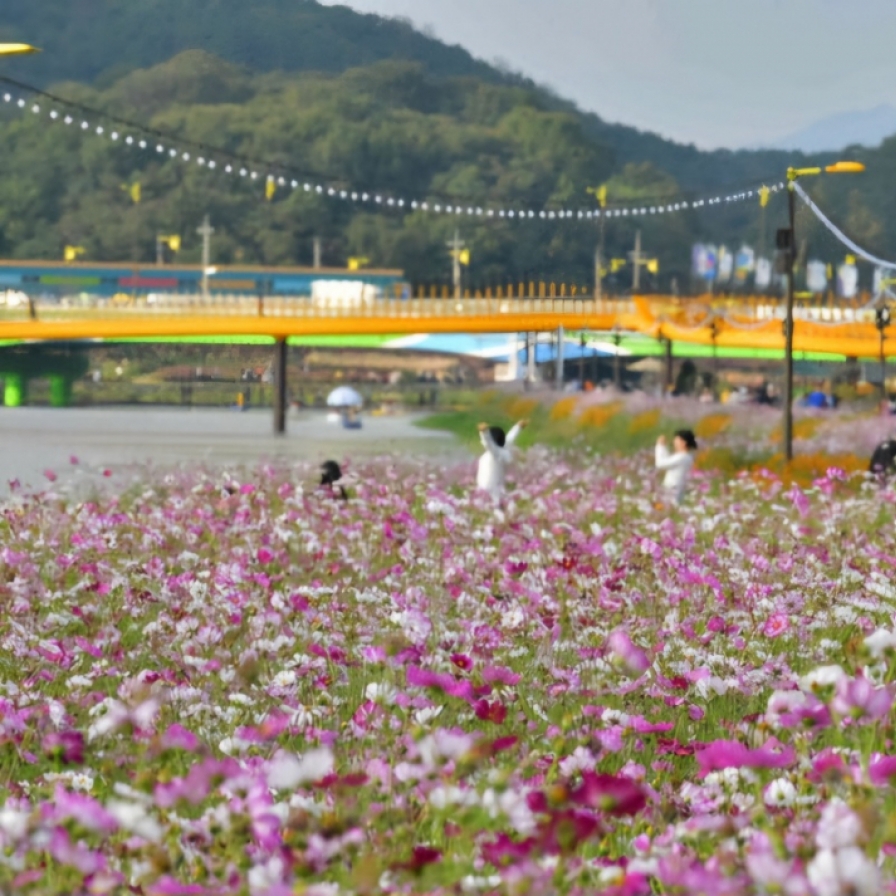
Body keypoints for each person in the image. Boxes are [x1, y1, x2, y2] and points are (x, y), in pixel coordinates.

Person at [476, 420, 528, 500]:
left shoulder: (495, 453)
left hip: (489, 491)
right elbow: (510, 438)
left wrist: (484, 433)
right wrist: (518, 427)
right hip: (495, 489)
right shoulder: (502, 449)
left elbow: (488, 443)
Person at [655, 429, 698, 505]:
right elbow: (667, 461)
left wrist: (660, 446)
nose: (674, 442)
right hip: (674, 489)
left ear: (683, 443)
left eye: (676, 440)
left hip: (673, 490)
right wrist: (663, 447)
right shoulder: (685, 457)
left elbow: (661, 464)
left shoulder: (682, 457)